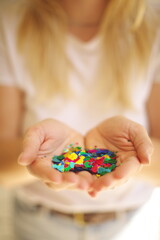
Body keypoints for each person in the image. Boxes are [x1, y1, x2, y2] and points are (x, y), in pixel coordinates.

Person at [0, 0, 160, 239]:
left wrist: (136, 154)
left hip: (132, 223)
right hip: (38, 222)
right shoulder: (10, 16)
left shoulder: (154, 20)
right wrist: (41, 155)